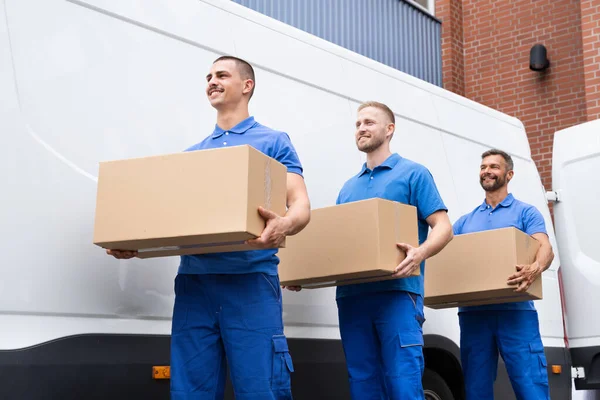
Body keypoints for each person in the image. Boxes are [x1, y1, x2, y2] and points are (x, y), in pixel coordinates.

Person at [107, 55, 310, 400]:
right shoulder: (194, 155)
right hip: (194, 285)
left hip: (250, 282)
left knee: (261, 390)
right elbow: (172, 222)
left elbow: (301, 204)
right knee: (190, 392)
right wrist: (134, 244)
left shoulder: (273, 142)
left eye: (221, 75)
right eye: (208, 77)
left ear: (247, 86)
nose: (212, 81)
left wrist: (285, 224)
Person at [286, 101, 453, 399]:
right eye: (358, 124)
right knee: (363, 385)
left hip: (398, 294)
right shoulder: (348, 188)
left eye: (369, 122)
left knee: (403, 385)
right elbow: (341, 245)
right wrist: (306, 274)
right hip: (352, 299)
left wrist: (420, 252)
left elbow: (443, 227)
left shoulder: (413, 174)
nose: (361, 128)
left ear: (389, 130)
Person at [453, 148, 554, 400]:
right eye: (483, 166)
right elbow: (446, 257)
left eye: (494, 167)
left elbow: (545, 248)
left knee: (530, 386)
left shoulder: (525, 213)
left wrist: (534, 268)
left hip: (515, 311)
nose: (487, 171)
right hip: (474, 314)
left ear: (509, 174)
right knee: (476, 390)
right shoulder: (465, 222)